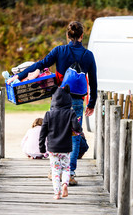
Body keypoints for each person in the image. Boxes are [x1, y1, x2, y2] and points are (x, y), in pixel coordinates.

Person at [7, 21, 97, 185]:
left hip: (58, 99)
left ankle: (54, 170)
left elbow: (40, 65)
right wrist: (92, 103)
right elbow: (94, 81)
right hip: (77, 101)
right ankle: (70, 174)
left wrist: (19, 76)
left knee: (55, 132)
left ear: (67, 35)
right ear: (82, 36)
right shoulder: (88, 55)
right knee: (75, 136)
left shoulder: (60, 50)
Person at [39, 85, 83, 200]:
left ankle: (57, 193)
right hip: (66, 148)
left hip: (53, 149)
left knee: (55, 170)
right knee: (66, 168)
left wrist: (42, 147)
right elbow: (77, 128)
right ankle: (64, 184)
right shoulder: (70, 113)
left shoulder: (48, 114)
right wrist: (79, 130)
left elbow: (42, 133)